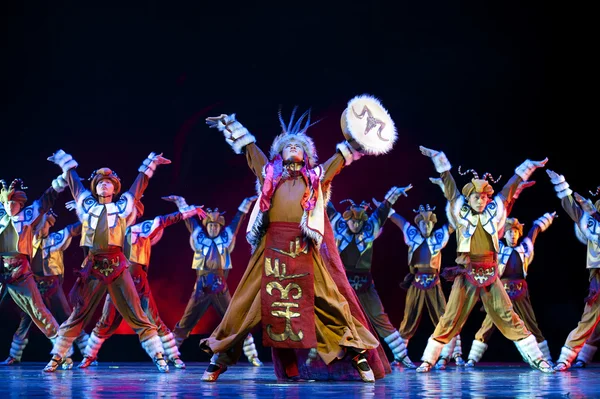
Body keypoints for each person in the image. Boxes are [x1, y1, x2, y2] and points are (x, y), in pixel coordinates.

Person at [199, 94, 397, 382]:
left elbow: (341, 156)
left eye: (299, 146)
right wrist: (230, 123)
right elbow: (250, 148)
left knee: (330, 302)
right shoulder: (269, 173)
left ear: (307, 155)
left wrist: (364, 137)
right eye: (288, 145)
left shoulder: (316, 176)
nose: (293, 147)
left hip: (304, 247)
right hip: (271, 248)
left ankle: (357, 355)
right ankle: (219, 358)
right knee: (244, 304)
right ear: (280, 153)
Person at [415, 145, 552, 373]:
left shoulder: (494, 212)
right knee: (450, 316)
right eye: (476, 197)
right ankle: (429, 359)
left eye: (484, 197)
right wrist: (439, 159)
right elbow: (450, 188)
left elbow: (509, 189)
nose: (481, 201)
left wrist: (527, 168)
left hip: (490, 272)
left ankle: (538, 358)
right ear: (469, 198)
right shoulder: (461, 210)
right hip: (466, 272)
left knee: (508, 314)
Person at [43, 150, 172, 372]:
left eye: (108, 183)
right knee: (78, 314)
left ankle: (158, 355)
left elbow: (138, 185)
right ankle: (57, 356)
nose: (104, 185)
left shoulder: (123, 207)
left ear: (115, 187)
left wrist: (151, 163)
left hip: (118, 265)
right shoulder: (87, 205)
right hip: (93, 266)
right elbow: (74, 183)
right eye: (100, 182)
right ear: (94, 187)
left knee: (136, 310)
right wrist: (64, 163)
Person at [78, 196, 205, 369]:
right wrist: (81, 207)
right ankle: (89, 355)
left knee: (152, 318)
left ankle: (172, 355)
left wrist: (190, 211)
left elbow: (164, 220)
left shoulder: (138, 230)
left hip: (136, 280)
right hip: (116, 278)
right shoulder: (113, 233)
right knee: (107, 319)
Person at [168, 195, 264, 367]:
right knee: (186, 321)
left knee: (235, 318)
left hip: (220, 287)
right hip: (201, 286)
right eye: (210, 225)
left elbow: (237, 221)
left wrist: (247, 203)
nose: (213, 228)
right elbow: (190, 221)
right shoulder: (200, 239)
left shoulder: (225, 239)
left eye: (216, 226)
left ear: (220, 227)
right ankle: (172, 355)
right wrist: (180, 202)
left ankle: (252, 355)